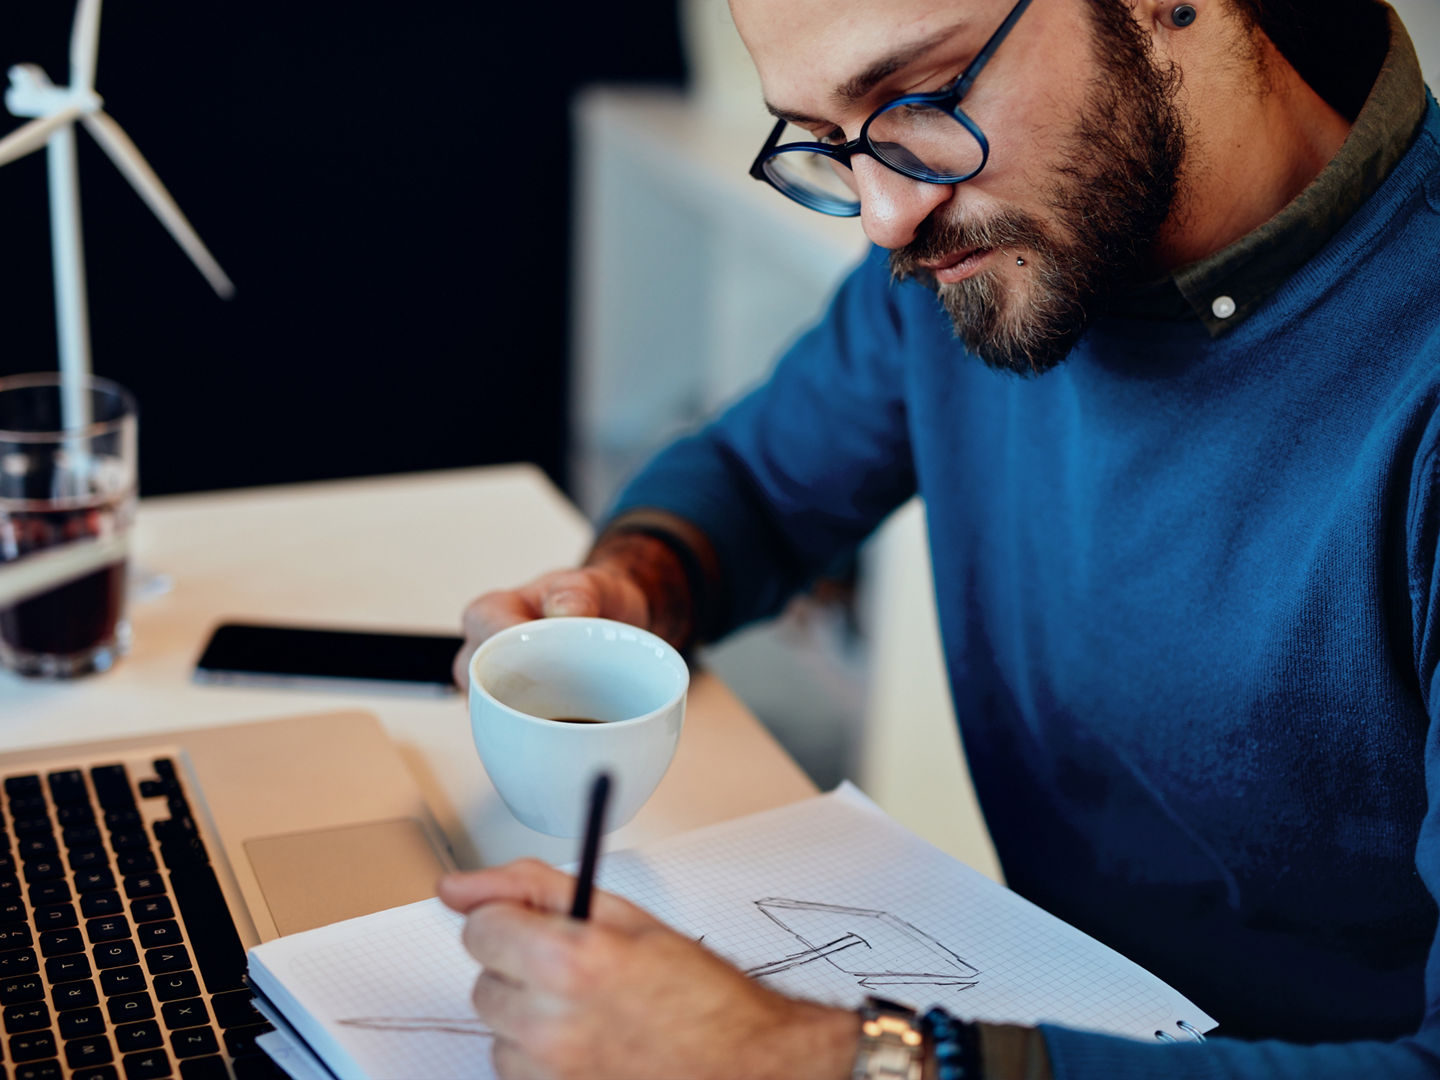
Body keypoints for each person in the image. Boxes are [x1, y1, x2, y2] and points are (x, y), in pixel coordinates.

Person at [441, 0, 1440, 1074]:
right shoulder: (1000, 240)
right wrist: (633, 591)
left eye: (921, 95)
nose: (884, 218)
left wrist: (820, 1062)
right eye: (827, 139)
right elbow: (755, 481)